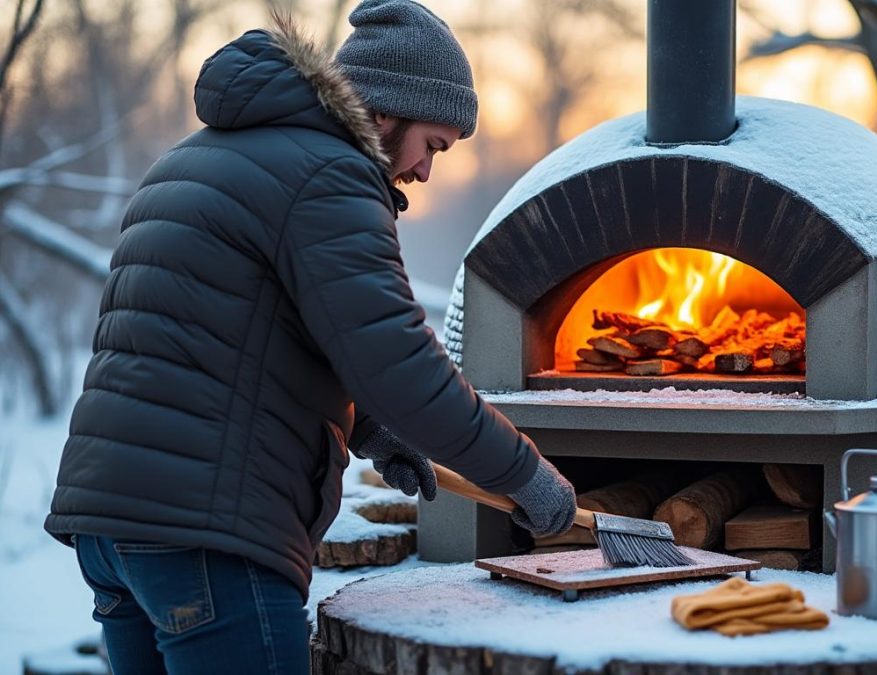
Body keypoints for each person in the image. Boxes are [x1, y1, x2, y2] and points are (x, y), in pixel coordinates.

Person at [44, 2, 577, 673]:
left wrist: (378, 430)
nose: (424, 172)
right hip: (208, 540)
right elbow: (401, 364)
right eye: (433, 146)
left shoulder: (200, 157)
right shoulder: (329, 175)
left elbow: (236, 336)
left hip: (114, 525)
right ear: (386, 110)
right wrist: (527, 475)